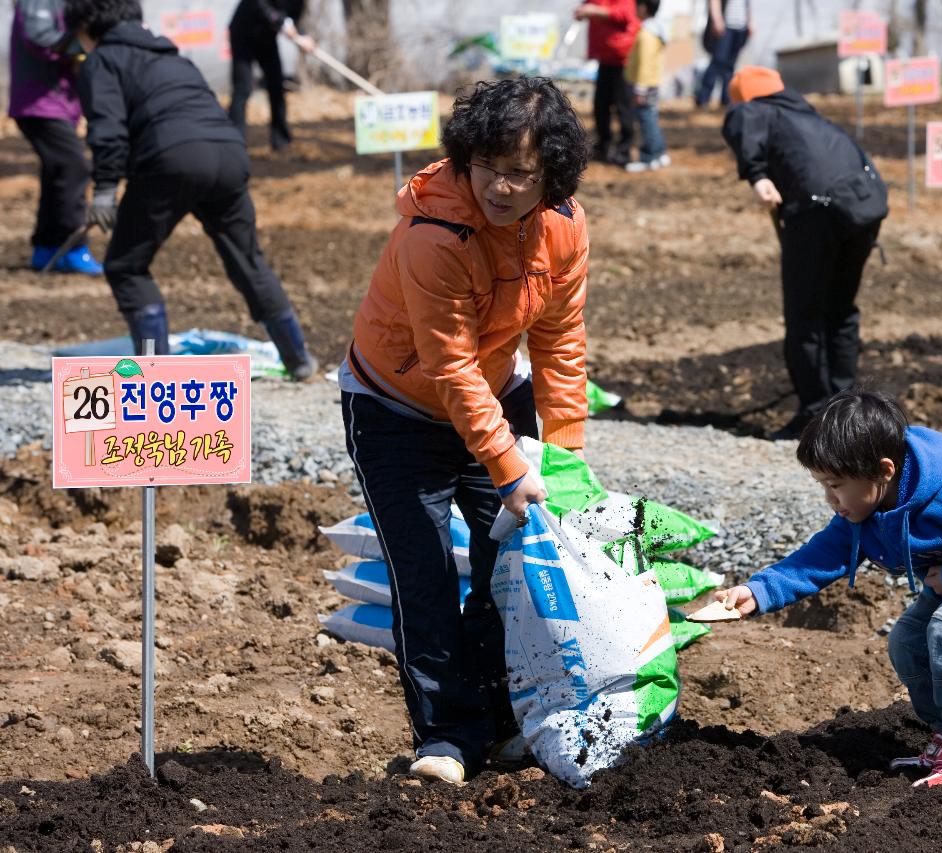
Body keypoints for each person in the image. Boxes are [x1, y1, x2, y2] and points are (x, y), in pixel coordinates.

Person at [339, 77, 591, 785]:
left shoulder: (564, 227)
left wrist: (561, 456)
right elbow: (449, 369)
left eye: (521, 171)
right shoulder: (434, 236)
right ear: (463, 159)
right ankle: (446, 735)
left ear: (551, 174)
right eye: (488, 166)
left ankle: (504, 719)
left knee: (505, 567)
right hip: (396, 405)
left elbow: (560, 341)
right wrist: (512, 468)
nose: (502, 187)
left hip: (495, 394)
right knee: (422, 571)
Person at [715, 389, 942, 789]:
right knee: (907, 640)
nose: (830, 499)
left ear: (884, 471)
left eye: (836, 485)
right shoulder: (865, 510)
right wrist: (759, 591)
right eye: (822, 485)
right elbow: (820, 557)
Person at [65, 0, 317, 378]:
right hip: (229, 154)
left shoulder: (102, 61)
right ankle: (298, 358)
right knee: (248, 260)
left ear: (86, 25)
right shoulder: (174, 58)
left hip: (171, 160)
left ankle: (153, 369)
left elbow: (107, 129)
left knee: (126, 266)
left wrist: (104, 190)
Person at [721, 66, 888, 441]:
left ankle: (815, 415)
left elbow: (741, 123)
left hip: (817, 213)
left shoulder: (753, 109)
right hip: (865, 208)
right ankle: (845, 407)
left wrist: (757, 175)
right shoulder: (807, 114)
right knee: (841, 309)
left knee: (806, 314)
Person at [8, 0, 102, 274]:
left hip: (59, 104)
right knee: (75, 167)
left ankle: (46, 248)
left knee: (57, 172)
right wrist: (84, 50)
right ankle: (73, 247)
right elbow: (40, 37)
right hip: (38, 103)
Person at [227, 0, 314, 152]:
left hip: (266, 38)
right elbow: (260, 5)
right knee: (243, 88)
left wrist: (302, 36)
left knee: (276, 86)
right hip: (243, 33)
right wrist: (282, 23)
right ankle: (234, 142)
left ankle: (281, 141)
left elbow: (294, 19)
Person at [574, 0, 639, 166]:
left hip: (622, 58)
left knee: (623, 107)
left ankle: (624, 149)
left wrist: (595, 11)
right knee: (600, 105)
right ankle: (603, 146)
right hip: (605, 57)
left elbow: (626, 14)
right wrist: (583, 12)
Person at [623, 0, 670, 173]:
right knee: (650, 119)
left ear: (643, 8)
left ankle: (649, 157)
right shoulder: (655, 30)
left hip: (644, 85)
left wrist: (640, 89)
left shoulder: (646, 34)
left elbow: (644, 63)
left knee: (645, 121)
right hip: (651, 82)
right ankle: (659, 153)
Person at [696, 0, 751, 108]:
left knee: (730, 66)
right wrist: (717, 19)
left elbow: (747, 4)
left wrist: (750, 22)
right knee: (717, 62)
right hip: (726, 25)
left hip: (740, 27)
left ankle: (726, 99)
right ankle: (703, 98)